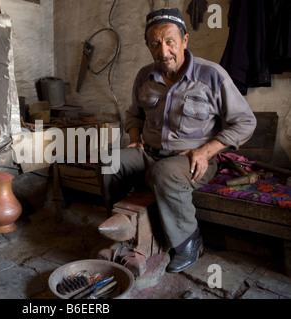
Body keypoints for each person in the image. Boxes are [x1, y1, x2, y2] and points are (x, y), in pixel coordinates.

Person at [103, 7, 257, 273]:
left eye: (170, 42)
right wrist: (135, 137)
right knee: (108, 161)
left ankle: (188, 243)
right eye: (155, 44)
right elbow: (133, 114)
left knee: (164, 173)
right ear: (148, 46)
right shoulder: (144, 76)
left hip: (191, 160)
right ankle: (120, 226)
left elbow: (245, 122)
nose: (163, 52)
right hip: (148, 153)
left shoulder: (212, 75)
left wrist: (206, 151)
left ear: (185, 41)